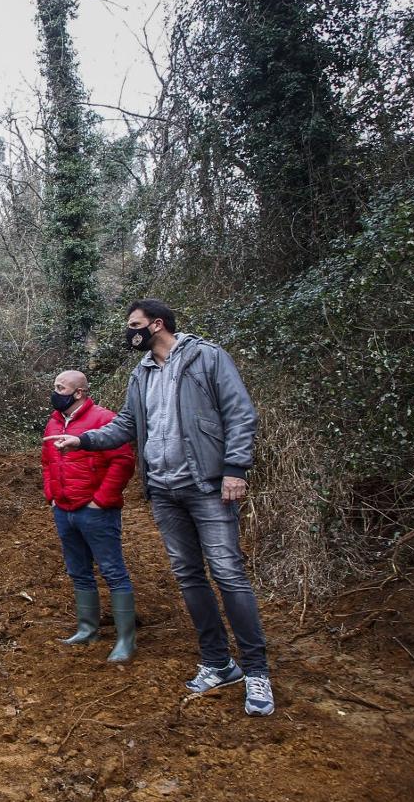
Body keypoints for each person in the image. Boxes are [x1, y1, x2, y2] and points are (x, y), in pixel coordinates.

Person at [44, 299, 274, 716]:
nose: (130, 332)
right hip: (164, 489)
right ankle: (219, 662)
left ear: (157, 324)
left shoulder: (207, 358)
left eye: (134, 325)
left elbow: (240, 414)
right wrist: (84, 440)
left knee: (227, 573)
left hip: (206, 485)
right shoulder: (141, 373)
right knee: (189, 576)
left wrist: (235, 468)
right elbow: (126, 425)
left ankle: (257, 671)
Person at [41, 370, 137, 662]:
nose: (55, 391)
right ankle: (87, 630)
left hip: (96, 510)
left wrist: (101, 501)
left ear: (79, 392)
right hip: (64, 508)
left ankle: (125, 640)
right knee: (78, 570)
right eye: (55, 386)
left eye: (61, 387)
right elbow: (47, 462)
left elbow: (123, 461)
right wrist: (52, 496)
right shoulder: (54, 422)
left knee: (112, 571)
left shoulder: (103, 419)